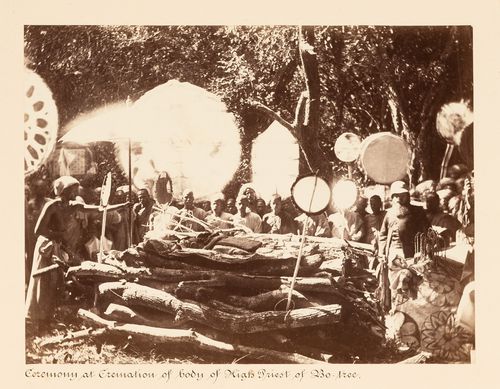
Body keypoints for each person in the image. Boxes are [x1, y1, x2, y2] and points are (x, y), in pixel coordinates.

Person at [25, 176, 127, 333]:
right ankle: (38, 320)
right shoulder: (52, 206)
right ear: (64, 191)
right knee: (44, 282)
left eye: (75, 189)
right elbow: (38, 230)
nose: (75, 192)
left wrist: (124, 205)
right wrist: (57, 235)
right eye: (72, 189)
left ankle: (49, 319)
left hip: (58, 247)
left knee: (57, 282)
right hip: (47, 247)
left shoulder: (74, 205)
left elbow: (100, 209)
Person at [378, 181, 430, 311]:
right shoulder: (389, 214)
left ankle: (411, 312)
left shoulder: (417, 212)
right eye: (396, 196)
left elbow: (427, 230)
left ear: (408, 196)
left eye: (402, 195)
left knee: (410, 283)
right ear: (393, 198)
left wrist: (427, 247)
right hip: (393, 253)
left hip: (412, 253)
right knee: (396, 286)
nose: (399, 199)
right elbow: (383, 235)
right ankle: (397, 311)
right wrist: (382, 252)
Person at [26, 179, 50, 284]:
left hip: (46, 234)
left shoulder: (49, 202)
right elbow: (28, 220)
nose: (43, 190)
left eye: (44, 188)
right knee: (32, 255)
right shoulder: (30, 204)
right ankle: (33, 280)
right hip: (33, 235)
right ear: (36, 190)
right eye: (40, 188)